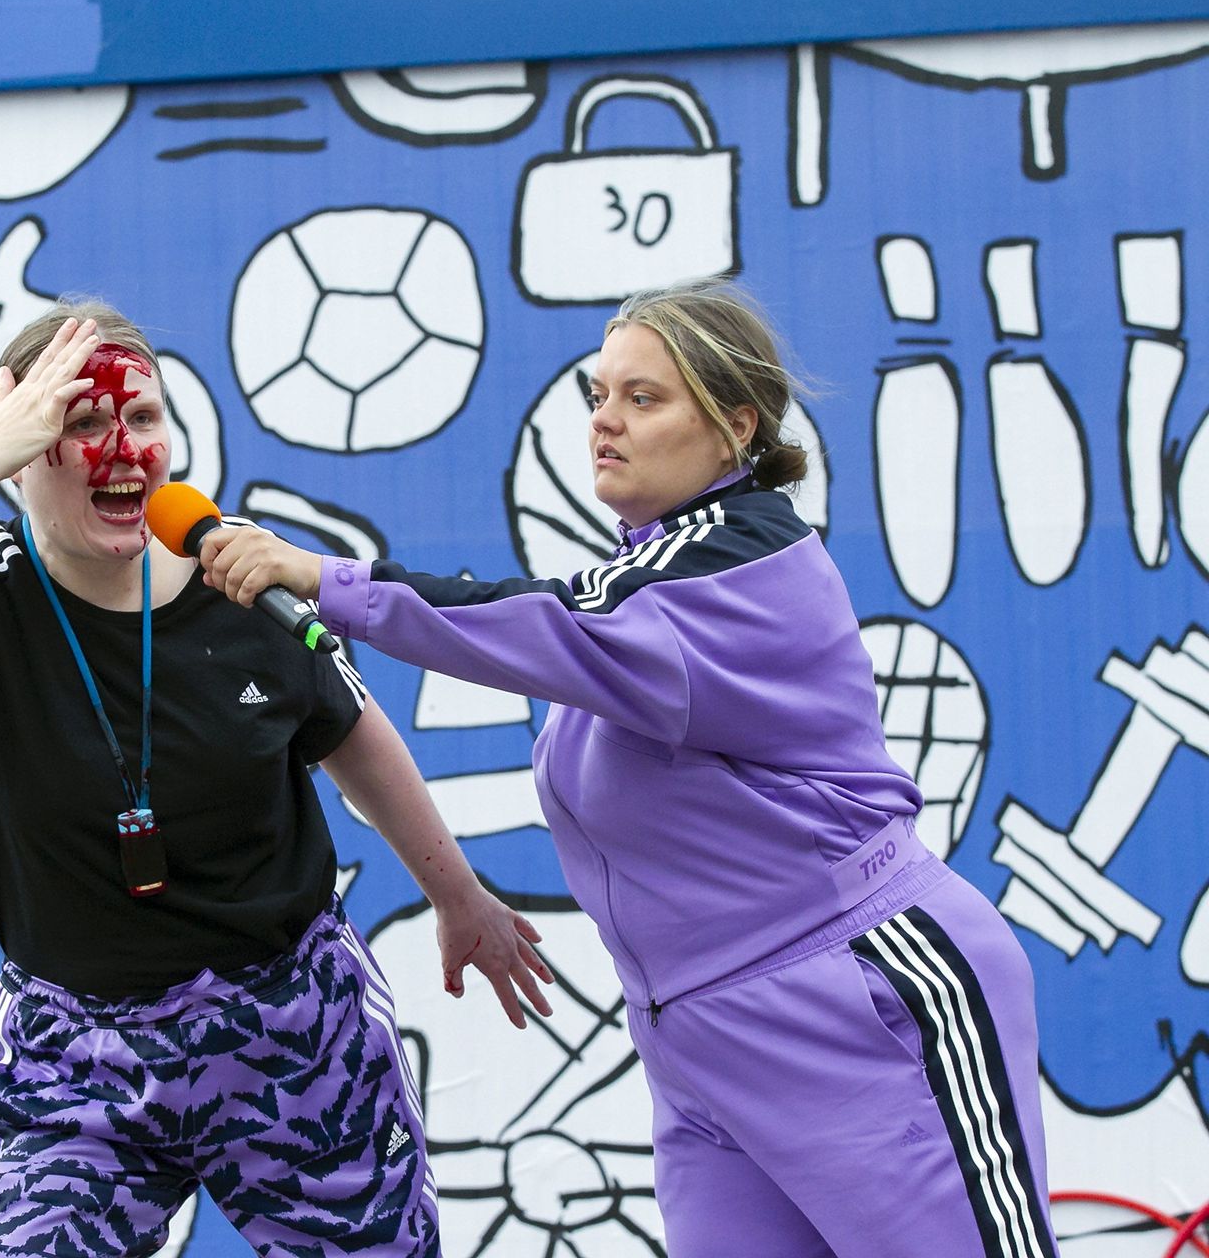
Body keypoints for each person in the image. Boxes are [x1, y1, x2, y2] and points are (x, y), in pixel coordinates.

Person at [198, 279, 1060, 1258]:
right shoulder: (649, 575)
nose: (605, 420)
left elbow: (545, 622)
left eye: (643, 398)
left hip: (858, 1003)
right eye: (599, 395)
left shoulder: (739, 559)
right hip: (699, 1043)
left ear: (736, 427)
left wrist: (325, 577)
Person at [0, 299, 554, 1257]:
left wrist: (458, 896)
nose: (123, 448)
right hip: (76, 1059)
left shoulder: (236, 569)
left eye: (141, 417)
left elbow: (352, 730)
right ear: (21, 451)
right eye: (80, 422)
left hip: (292, 1028)